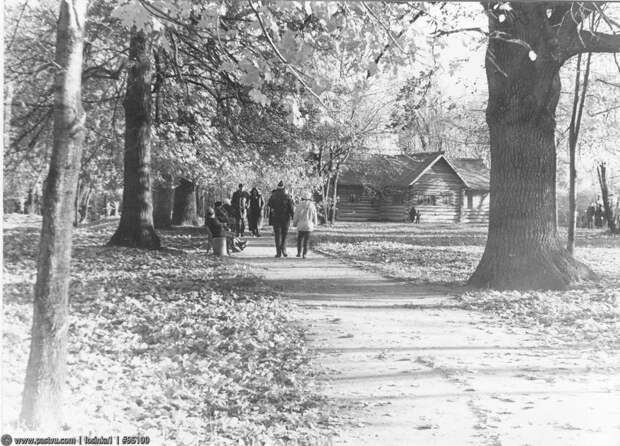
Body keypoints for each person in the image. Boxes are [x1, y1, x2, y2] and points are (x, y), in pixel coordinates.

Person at [267, 181, 294, 258]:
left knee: (277, 235)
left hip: (276, 217)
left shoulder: (274, 195)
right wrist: (293, 216)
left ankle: (278, 252)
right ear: (283, 187)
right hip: (286, 218)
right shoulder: (287, 196)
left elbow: (269, 204)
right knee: (284, 235)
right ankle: (284, 250)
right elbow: (291, 207)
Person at [293, 191, 318, 259]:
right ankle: (304, 254)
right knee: (306, 240)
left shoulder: (299, 206)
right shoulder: (312, 206)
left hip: (300, 225)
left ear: (302, 198)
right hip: (309, 225)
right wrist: (315, 223)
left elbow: (296, 216)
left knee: (299, 239)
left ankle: (299, 252)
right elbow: (314, 215)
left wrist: (294, 223)